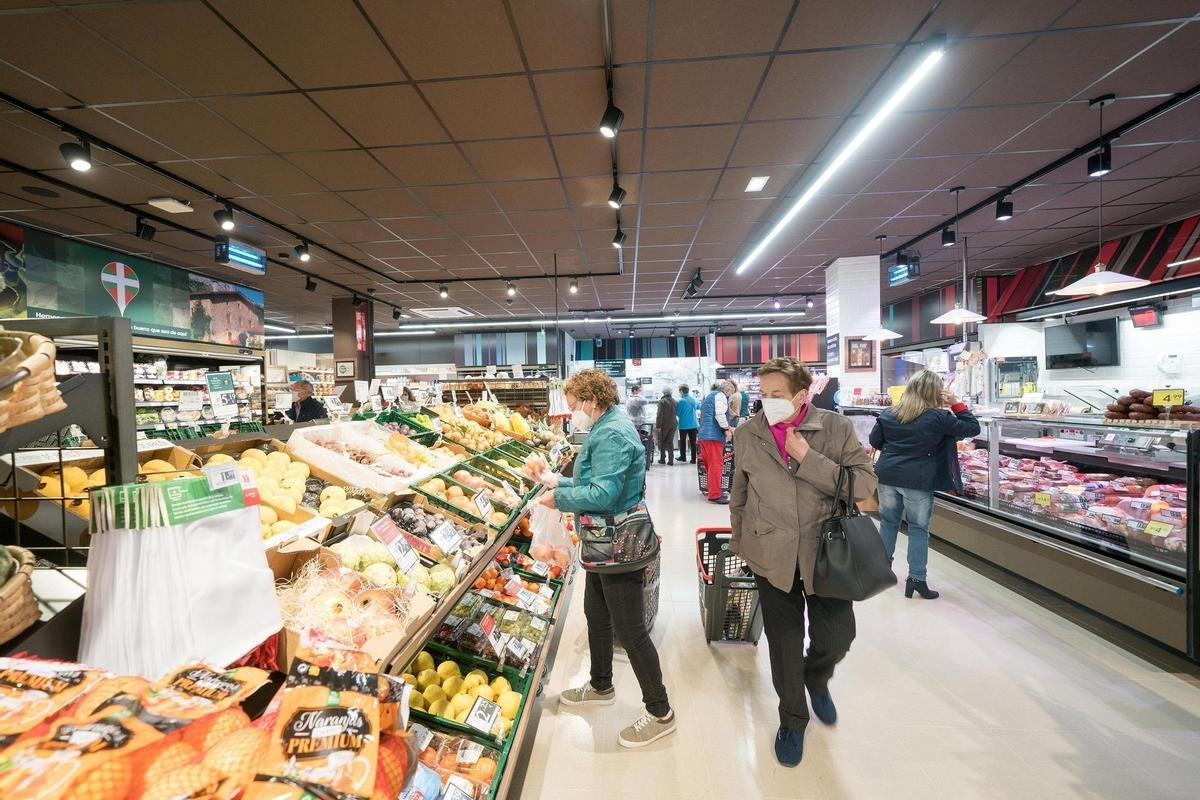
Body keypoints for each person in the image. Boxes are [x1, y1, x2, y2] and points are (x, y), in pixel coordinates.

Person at [729, 357, 876, 767]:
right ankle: (793, 718)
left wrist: (809, 457)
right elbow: (739, 494)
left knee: (837, 636)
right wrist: (743, 543)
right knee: (784, 645)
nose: (767, 402)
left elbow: (863, 485)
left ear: (800, 394)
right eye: (763, 394)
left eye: (776, 395)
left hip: (825, 553)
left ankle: (818, 676)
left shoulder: (834, 428)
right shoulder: (748, 433)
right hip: (770, 555)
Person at [524, 369, 675, 748]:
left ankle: (661, 712)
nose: (573, 411)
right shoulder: (609, 422)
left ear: (591, 399)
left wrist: (558, 499)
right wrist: (557, 482)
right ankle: (601, 684)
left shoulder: (609, 432)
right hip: (602, 543)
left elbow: (604, 493)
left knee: (631, 631)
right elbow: (601, 481)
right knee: (596, 613)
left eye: (574, 404)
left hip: (618, 544)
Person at [868, 370, 980, 600]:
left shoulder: (889, 413)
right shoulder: (938, 417)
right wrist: (957, 403)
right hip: (918, 480)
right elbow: (972, 428)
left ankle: (881, 570)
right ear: (934, 392)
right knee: (918, 529)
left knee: (888, 523)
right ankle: (916, 580)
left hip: (888, 476)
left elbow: (875, 441)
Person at [697, 380, 735, 504]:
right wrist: (727, 428)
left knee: (709, 466)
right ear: (728, 390)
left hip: (703, 435)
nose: (730, 396)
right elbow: (720, 414)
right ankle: (714, 495)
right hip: (713, 436)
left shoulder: (709, 396)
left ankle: (712, 490)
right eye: (731, 393)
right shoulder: (720, 396)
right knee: (716, 466)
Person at [675, 384, 698, 464]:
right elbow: (697, 407)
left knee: (683, 441)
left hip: (684, 425)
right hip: (693, 424)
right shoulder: (693, 399)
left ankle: (683, 457)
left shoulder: (681, 401)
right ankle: (693, 459)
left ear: (681, 391)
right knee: (693, 442)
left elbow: (678, 413)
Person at [655, 387, 677, 465]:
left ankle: (662, 459)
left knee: (662, 441)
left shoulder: (662, 402)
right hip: (673, 424)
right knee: (670, 442)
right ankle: (671, 460)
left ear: (664, 393)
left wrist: (658, 426)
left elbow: (659, 415)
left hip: (664, 425)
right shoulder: (675, 401)